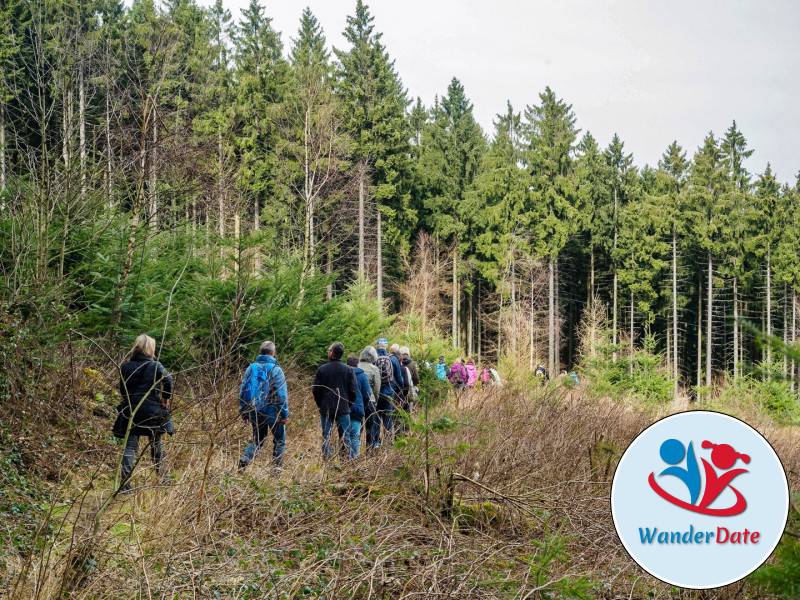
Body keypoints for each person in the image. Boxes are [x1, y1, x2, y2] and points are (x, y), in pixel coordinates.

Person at [113, 334, 174, 493]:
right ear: (150, 348)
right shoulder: (155, 366)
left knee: (130, 448)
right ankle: (163, 478)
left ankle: (125, 486)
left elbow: (122, 390)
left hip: (131, 411)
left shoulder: (125, 366)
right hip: (152, 413)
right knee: (156, 444)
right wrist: (165, 399)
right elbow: (169, 380)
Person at [237, 341, 289, 471]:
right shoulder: (276, 370)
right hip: (273, 411)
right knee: (279, 440)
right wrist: (284, 414)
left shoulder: (251, 368)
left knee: (257, 439)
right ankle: (276, 469)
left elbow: (243, 390)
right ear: (273, 353)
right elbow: (281, 395)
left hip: (255, 410)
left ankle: (245, 459)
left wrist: (244, 411)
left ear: (261, 352)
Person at [312, 342, 357, 460]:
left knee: (326, 436)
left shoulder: (322, 369)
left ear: (332, 353)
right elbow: (353, 391)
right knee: (345, 436)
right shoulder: (348, 370)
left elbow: (315, 390)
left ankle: (327, 461)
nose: (328, 352)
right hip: (343, 408)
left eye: (329, 350)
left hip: (326, 408)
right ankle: (345, 460)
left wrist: (320, 405)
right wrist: (348, 404)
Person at [374, 338, 406, 447]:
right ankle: (388, 443)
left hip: (376, 394)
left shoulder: (373, 358)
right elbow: (399, 379)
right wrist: (398, 392)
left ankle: (376, 443)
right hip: (389, 392)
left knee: (376, 418)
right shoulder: (392, 359)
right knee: (388, 418)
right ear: (386, 347)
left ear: (377, 346)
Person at [346, 355, 371, 458]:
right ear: (358, 364)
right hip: (357, 409)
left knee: (345, 435)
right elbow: (367, 394)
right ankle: (354, 459)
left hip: (344, 409)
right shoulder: (362, 376)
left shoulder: (344, 374)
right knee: (355, 436)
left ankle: (345, 458)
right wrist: (363, 406)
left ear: (347, 364)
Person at [358, 346, 382, 450]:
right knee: (370, 426)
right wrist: (376, 400)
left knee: (358, 427)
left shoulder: (356, 366)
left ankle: (356, 449)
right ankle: (370, 448)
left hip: (357, 400)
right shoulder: (374, 369)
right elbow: (377, 388)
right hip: (370, 401)